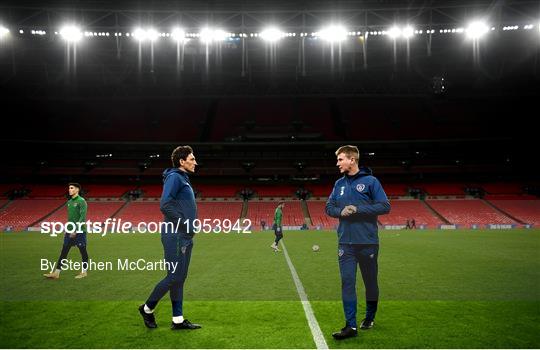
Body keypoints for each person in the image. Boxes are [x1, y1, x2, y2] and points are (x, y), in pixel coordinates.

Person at [325, 145, 391, 340]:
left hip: (368, 243)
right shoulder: (339, 184)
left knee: (370, 283)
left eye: (340, 160)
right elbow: (329, 207)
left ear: (352, 160)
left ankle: (369, 317)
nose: (337, 163)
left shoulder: (371, 181)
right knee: (347, 282)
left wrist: (357, 209)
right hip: (345, 244)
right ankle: (350, 326)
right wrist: (340, 212)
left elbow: (385, 206)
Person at [138, 146, 201, 331]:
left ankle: (178, 320)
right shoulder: (174, 177)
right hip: (175, 235)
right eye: (192, 158)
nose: (195, 162)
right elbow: (165, 204)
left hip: (184, 235)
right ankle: (147, 308)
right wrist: (185, 224)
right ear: (182, 162)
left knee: (180, 278)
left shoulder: (182, 178)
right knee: (175, 276)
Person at [43, 183, 89, 279]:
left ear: (77, 190)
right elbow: (70, 218)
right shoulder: (69, 202)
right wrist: (68, 229)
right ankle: (56, 273)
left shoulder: (82, 201)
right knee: (64, 251)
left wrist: (76, 230)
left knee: (83, 251)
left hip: (80, 231)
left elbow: (82, 217)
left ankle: (84, 272)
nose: (69, 189)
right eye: (69, 188)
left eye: (72, 188)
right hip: (70, 230)